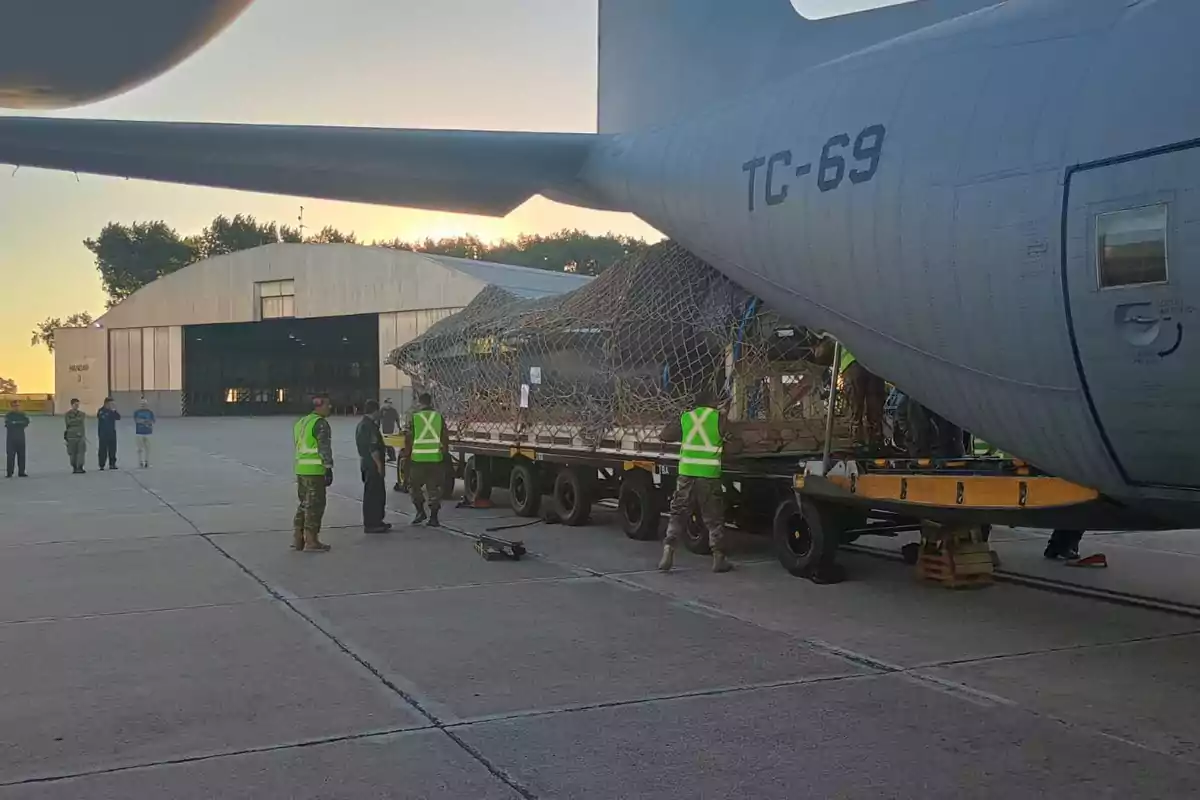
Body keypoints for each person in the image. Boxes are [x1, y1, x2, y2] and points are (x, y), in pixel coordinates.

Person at [657, 388, 732, 574]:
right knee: (713, 517)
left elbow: (664, 435)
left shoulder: (686, 418)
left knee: (678, 512)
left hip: (687, 474)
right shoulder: (718, 417)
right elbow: (735, 441)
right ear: (712, 401)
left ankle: (668, 550)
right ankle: (718, 558)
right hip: (708, 475)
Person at [293, 394, 335, 553]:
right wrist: (328, 467)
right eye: (327, 404)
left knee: (304, 503)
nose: (330, 407)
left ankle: (298, 537)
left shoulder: (301, 423)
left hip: (301, 469)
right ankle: (311, 540)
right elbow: (324, 447)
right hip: (314, 471)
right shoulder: (321, 424)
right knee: (315, 505)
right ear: (319, 406)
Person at [403, 392, 449, 527]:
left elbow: (408, 439)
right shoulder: (439, 417)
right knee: (434, 489)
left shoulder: (415, 418)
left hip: (417, 460)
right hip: (435, 460)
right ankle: (434, 518)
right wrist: (444, 454)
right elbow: (445, 438)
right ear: (431, 402)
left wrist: (407, 455)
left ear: (419, 402)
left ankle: (420, 511)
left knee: (414, 486)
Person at [356, 399, 391, 533]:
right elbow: (373, 448)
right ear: (375, 411)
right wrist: (379, 465)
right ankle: (372, 523)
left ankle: (376, 521)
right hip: (372, 465)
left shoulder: (362, 424)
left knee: (373, 493)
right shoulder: (369, 426)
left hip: (366, 464)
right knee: (374, 495)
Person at [840, 348, 886, 452]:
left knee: (855, 407)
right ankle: (876, 441)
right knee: (875, 408)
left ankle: (857, 441)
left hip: (851, 359)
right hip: (875, 359)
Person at [5, 400, 29, 478]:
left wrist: (15, 423)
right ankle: (9, 472)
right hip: (11, 439)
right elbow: (8, 424)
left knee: (22, 456)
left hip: (21, 438)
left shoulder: (22, 414)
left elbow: (26, 422)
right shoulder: (9, 415)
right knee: (10, 456)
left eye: (18, 406)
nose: (17, 407)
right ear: (11, 407)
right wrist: (19, 423)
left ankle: (21, 472)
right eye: (15, 406)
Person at [96, 397, 121, 470]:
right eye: (111, 403)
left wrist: (114, 411)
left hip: (112, 433)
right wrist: (110, 412)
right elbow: (102, 417)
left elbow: (118, 417)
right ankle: (101, 464)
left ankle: (112, 464)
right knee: (103, 450)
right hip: (103, 434)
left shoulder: (112, 411)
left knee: (113, 449)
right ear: (106, 403)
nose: (112, 405)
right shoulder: (101, 411)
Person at [64, 398, 87, 474]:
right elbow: (68, 423)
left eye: (78, 404)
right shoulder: (67, 414)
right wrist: (76, 421)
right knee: (72, 453)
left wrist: (74, 421)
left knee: (81, 452)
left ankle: (80, 466)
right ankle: (74, 466)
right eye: (75, 405)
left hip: (80, 436)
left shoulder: (82, 414)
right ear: (72, 405)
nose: (77, 406)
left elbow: (79, 421)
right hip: (71, 436)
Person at [133, 398, 156, 468]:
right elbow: (136, 420)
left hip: (148, 432)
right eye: (142, 404)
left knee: (148, 448)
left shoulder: (150, 412)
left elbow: (153, 421)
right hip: (139, 432)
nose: (143, 405)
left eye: (145, 404)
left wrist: (145, 422)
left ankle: (147, 461)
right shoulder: (137, 412)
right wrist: (145, 421)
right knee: (139, 449)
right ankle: (140, 461)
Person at [380, 398, 401, 463]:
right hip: (384, 428)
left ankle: (392, 457)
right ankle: (390, 456)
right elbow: (378, 418)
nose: (389, 404)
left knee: (388, 443)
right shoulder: (382, 410)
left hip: (390, 429)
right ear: (385, 403)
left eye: (390, 403)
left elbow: (397, 419)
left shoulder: (393, 411)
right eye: (388, 403)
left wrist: (399, 427)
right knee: (385, 443)